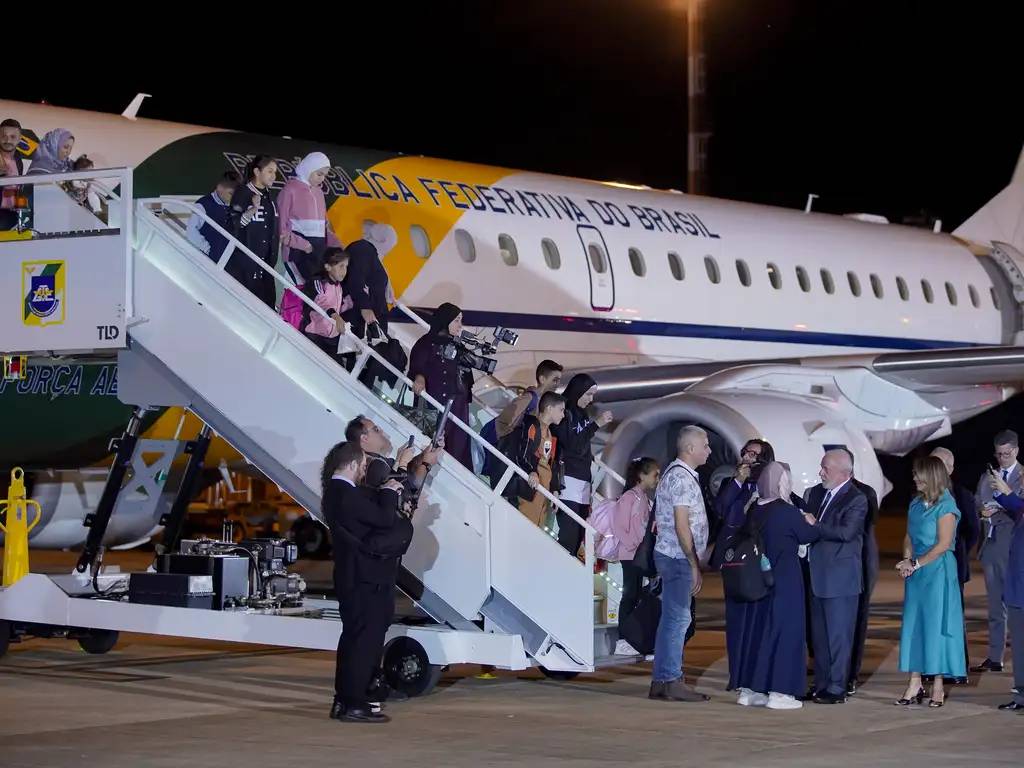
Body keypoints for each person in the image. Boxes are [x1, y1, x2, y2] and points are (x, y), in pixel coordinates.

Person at [321, 441, 410, 724]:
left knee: (354, 640)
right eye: (362, 466)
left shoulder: (337, 493)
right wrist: (387, 493)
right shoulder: (345, 494)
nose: (363, 472)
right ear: (351, 465)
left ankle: (346, 699)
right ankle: (353, 703)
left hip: (354, 576)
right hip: (364, 578)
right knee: (363, 642)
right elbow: (384, 519)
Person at [732, 462, 821, 710]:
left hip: (758, 579)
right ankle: (781, 691)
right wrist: (811, 521)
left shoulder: (754, 510)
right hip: (785, 579)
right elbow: (808, 535)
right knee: (786, 633)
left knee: (758, 633)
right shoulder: (786, 511)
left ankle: (751, 690)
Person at [894, 455, 965, 708]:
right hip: (917, 572)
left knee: (936, 625)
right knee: (915, 625)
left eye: (918, 474)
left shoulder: (946, 505)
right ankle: (914, 682)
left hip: (938, 571)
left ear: (931, 476)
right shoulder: (915, 503)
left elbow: (944, 544)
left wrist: (916, 563)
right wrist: (906, 561)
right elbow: (909, 536)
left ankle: (937, 684)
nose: (914, 478)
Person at [648, 425, 711, 703]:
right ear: (690, 449)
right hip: (677, 557)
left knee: (672, 618)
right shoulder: (682, 479)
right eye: (705, 445)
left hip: (672, 555)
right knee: (677, 619)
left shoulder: (676, 475)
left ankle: (663, 679)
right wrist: (693, 562)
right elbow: (681, 524)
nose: (709, 451)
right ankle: (670, 679)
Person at [801, 449, 868, 704]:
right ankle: (821, 685)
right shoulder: (820, 494)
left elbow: (847, 532)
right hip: (819, 577)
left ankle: (837, 689)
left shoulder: (856, 499)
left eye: (825, 468)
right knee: (820, 638)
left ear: (843, 472)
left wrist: (814, 525)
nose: (820, 472)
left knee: (839, 638)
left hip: (841, 581)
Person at [971, 429, 1022, 674]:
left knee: (1015, 606)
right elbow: (976, 503)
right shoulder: (986, 477)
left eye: (1007, 453)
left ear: (1016, 451)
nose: (1003, 458)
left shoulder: (1022, 477)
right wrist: (982, 512)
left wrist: (1002, 503)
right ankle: (995, 657)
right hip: (990, 545)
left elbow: (1020, 510)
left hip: (1013, 548)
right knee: (994, 606)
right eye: (999, 454)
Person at [277, 152, 343, 329]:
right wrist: (304, 245)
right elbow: (281, 229)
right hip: (298, 253)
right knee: (308, 288)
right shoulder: (290, 190)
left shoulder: (319, 193)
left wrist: (336, 245)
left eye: (324, 175)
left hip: (318, 251)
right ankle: (295, 325)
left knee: (323, 287)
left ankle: (314, 328)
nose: (321, 179)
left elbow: (324, 226)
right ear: (308, 169)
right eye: (318, 174)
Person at [550, 374, 613, 556]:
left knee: (578, 537)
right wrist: (596, 425)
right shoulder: (565, 412)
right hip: (567, 481)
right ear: (578, 392)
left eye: (593, 395)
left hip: (583, 483)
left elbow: (583, 447)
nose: (590, 399)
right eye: (588, 394)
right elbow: (573, 445)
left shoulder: (582, 414)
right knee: (568, 536)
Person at [930, 446, 978, 685]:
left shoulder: (962, 495)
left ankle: (957, 668)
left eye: (940, 465)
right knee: (932, 618)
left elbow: (972, 531)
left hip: (952, 567)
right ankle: (933, 666)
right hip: (928, 570)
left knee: (952, 619)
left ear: (950, 468)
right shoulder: (922, 496)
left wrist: (955, 555)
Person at [408, 302, 474, 470]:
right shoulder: (426, 343)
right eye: (457, 320)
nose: (460, 325)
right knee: (432, 447)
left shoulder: (458, 346)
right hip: (434, 406)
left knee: (457, 450)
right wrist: (420, 377)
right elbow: (417, 366)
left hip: (457, 409)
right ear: (446, 320)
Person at [839, 447, 880, 697]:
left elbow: (866, 527)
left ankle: (850, 674)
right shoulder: (822, 491)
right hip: (835, 566)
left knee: (856, 620)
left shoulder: (863, 493)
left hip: (860, 562)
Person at [483, 359, 563, 485]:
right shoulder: (530, 398)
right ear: (542, 379)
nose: (557, 384)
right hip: (506, 448)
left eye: (559, 380)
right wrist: (511, 442)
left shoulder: (541, 402)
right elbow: (506, 419)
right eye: (555, 379)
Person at [612, 456, 660, 655]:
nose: (658, 478)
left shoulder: (645, 499)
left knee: (640, 596)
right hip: (631, 555)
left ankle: (636, 637)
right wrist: (636, 546)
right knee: (629, 595)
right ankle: (623, 639)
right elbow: (619, 527)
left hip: (640, 555)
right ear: (642, 475)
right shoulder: (629, 498)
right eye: (655, 474)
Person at [986, 469, 1024, 711]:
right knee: (1019, 647)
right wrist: (1001, 494)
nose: (1021, 479)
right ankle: (1021, 695)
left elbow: (1017, 503)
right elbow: (1016, 506)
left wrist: (1006, 492)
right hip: (1017, 589)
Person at [500, 391, 566, 527]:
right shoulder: (531, 425)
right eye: (561, 410)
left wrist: (554, 489)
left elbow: (550, 463)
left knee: (537, 528)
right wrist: (531, 471)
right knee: (523, 526)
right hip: (529, 488)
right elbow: (522, 452)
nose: (563, 415)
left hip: (542, 491)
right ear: (549, 408)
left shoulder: (550, 434)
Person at [710, 439, 775, 570]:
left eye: (752, 454)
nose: (745, 457)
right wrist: (738, 481)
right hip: (730, 549)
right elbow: (720, 509)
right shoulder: (730, 484)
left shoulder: (771, 487)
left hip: (758, 552)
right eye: (744, 453)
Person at [226, 155, 279, 308]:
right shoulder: (243, 193)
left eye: (275, 172)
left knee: (267, 308)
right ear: (257, 171)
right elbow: (234, 225)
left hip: (266, 266)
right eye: (269, 171)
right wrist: (253, 209)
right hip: (245, 265)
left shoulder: (270, 196)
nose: (273, 176)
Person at [300, 248, 355, 371]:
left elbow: (337, 308)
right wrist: (336, 316)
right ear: (327, 266)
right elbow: (321, 303)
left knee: (339, 374)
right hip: (314, 336)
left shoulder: (339, 287)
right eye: (341, 266)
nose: (344, 271)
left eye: (346, 266)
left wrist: (349, 304)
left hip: (331, 340)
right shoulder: (318, 281)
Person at [342, 228, 396, 340]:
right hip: (363, 319)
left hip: (370, 321)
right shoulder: (363, 249)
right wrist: (364, 306)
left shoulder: (372, 256)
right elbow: (355, 278)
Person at [186, 171, 241, 260]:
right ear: (220, 187)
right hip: (206, 262)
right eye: (231, 193)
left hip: (228, 263)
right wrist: (208, 251)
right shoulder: (203, 205)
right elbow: (191, 232)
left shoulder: (235, 207)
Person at [0, 118, 25, 230]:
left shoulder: (18, 157)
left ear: (20, 138)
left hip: (12, 214)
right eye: (4, 136)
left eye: (13, 137)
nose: (8, 140)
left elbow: (17, 185)